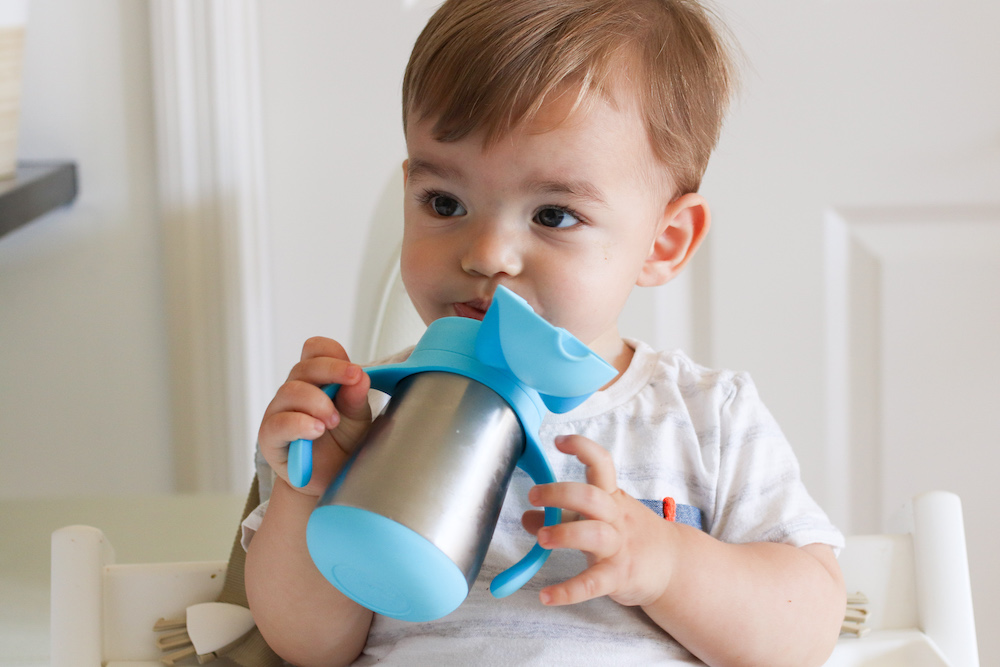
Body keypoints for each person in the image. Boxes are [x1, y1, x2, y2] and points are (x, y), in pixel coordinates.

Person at [243, 0, 846, 665]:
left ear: (662, 242)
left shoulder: (707, 417)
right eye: (445, 203)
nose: (487, 253)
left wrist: (667, 562)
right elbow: (306, 646)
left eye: (554, 214)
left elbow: (807, 628)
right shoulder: (366, 413)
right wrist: (312, 492)